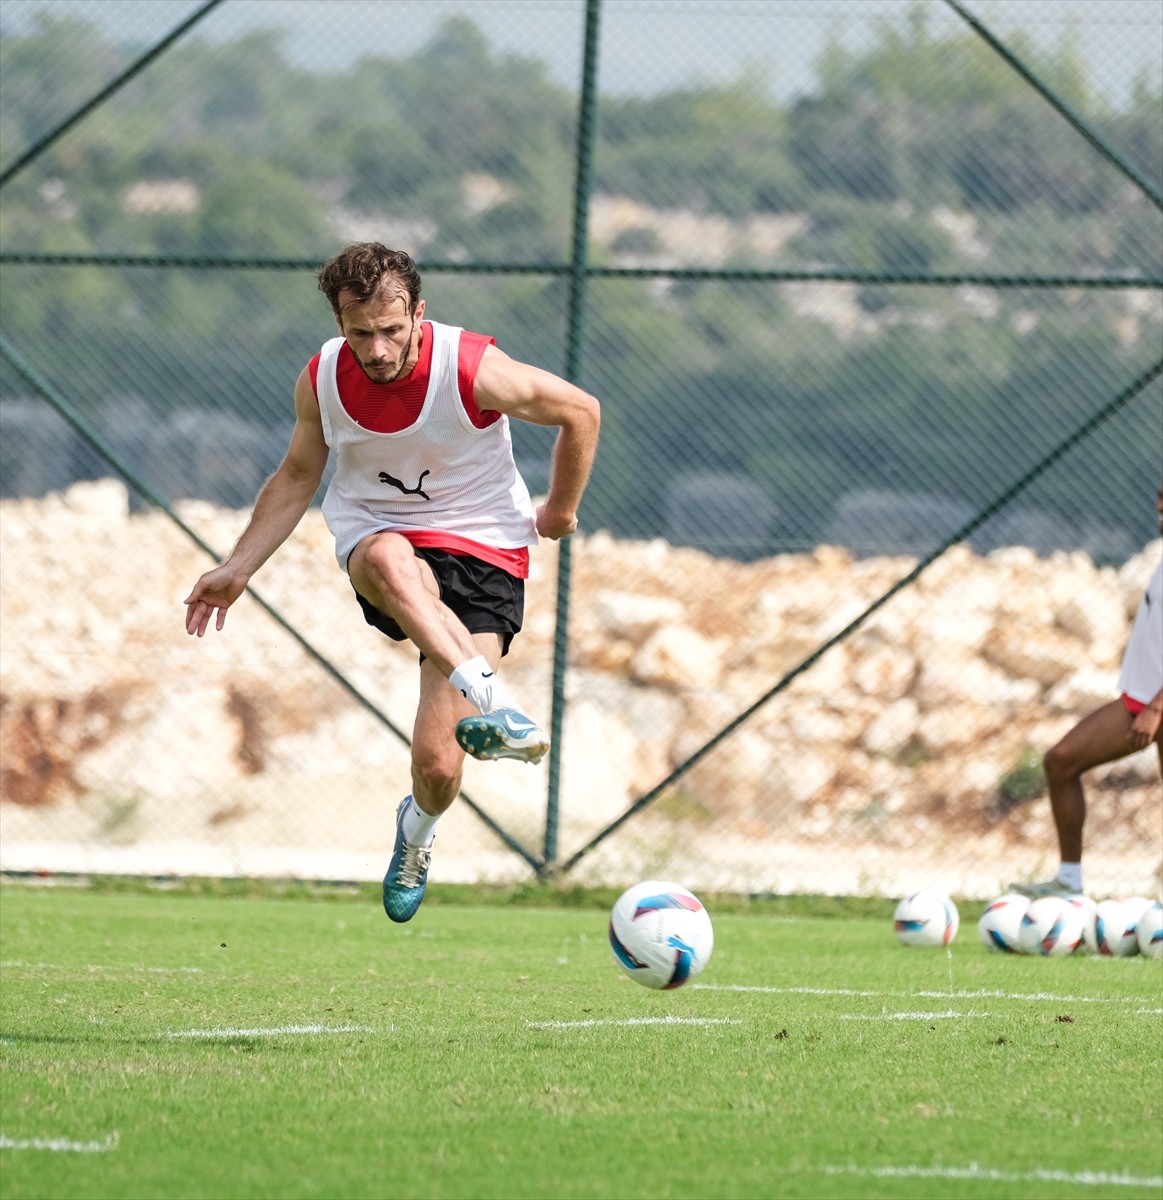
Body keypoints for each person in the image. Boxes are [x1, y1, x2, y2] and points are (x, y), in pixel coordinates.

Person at [184, 242, 600, 923]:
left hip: (484, 549)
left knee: (438, 766)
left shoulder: (467, 366)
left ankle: (417, 833)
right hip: (380, 533)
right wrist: (238, 567)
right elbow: (298, 475)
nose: (377, 350)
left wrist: (559, 508)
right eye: (360, 333)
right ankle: (496, 703)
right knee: (384, 559)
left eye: (391, 330)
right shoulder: (323, 378)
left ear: (418, 314)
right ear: (339, 323)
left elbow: (580, 410)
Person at [1011, 483, 1163, 899]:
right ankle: (1068, 883)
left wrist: (1157, 707)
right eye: (1159, 499)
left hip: (1154, 704)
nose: (1160, 507)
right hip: (1140, 700)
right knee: (1061, 761)